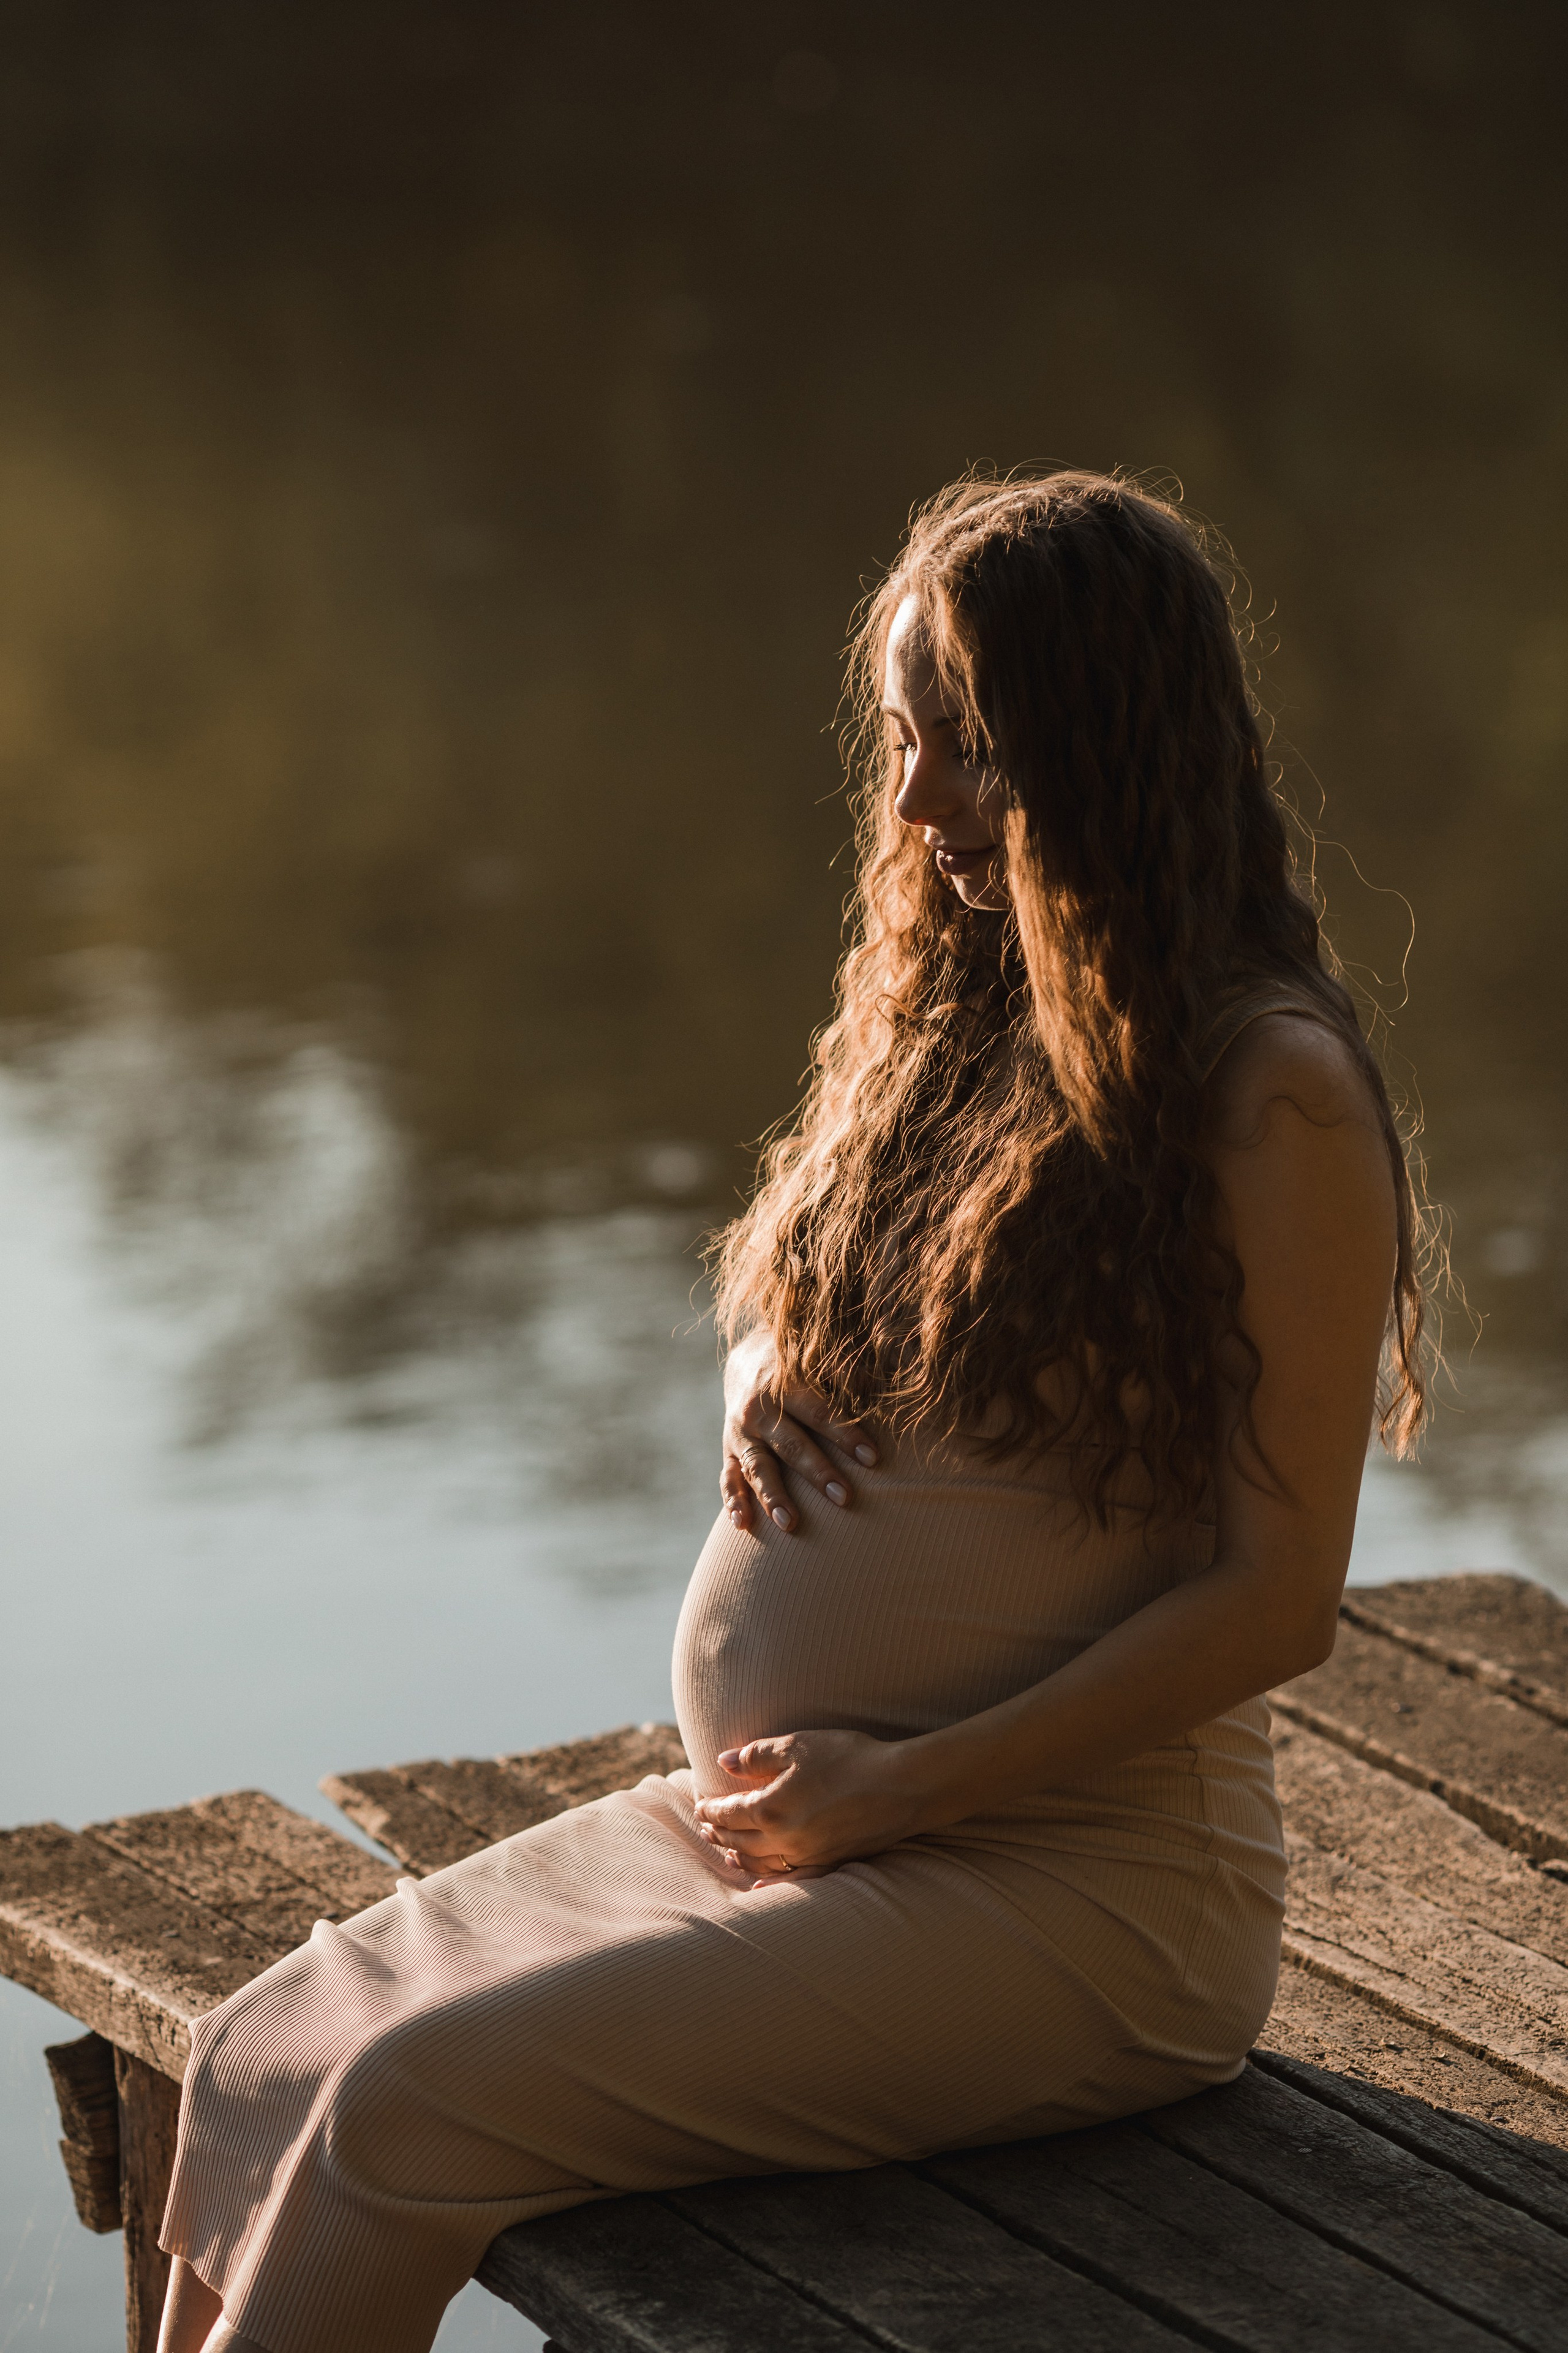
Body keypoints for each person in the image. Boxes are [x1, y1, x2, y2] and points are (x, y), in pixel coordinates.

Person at [156, 471, 1427, 2353]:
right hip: (812, 1827)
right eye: (905, 743)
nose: (914, 803)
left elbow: (1278, 1599)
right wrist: (764, 1380)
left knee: (401, 2105)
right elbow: (783, 1291)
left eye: (966, 748)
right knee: (260, 2047)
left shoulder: (1270, 1092)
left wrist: (903, 1785)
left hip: (1081, 1893)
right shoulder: (970, 1002)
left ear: (1102, 739)